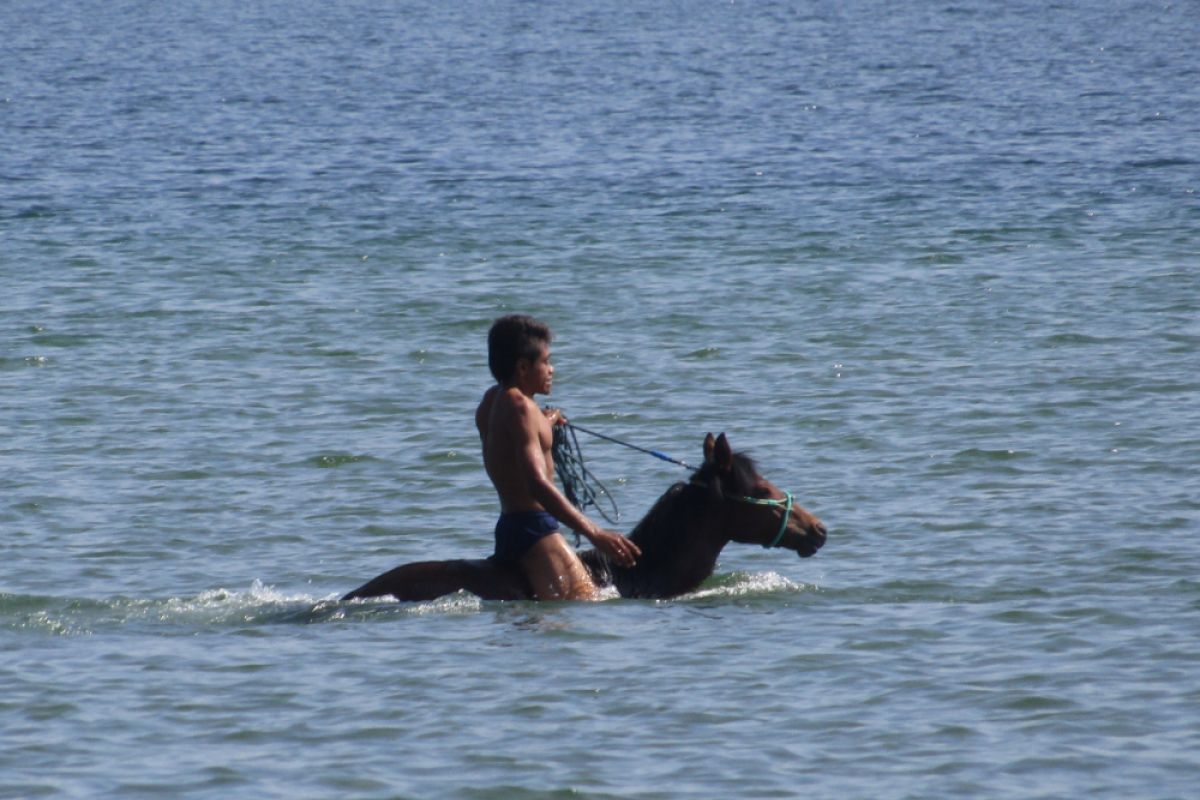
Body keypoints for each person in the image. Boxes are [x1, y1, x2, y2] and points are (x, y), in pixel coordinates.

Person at [476, 314, 641, 600]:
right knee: (587, 602)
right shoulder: (520, 409)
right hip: (534, 531)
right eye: (546, 362)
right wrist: (595, 534)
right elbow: (537, 484)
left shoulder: (494, 399)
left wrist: (548, 420)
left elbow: (520, 436)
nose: (552, 370)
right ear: (523, 367)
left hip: (511, 524)